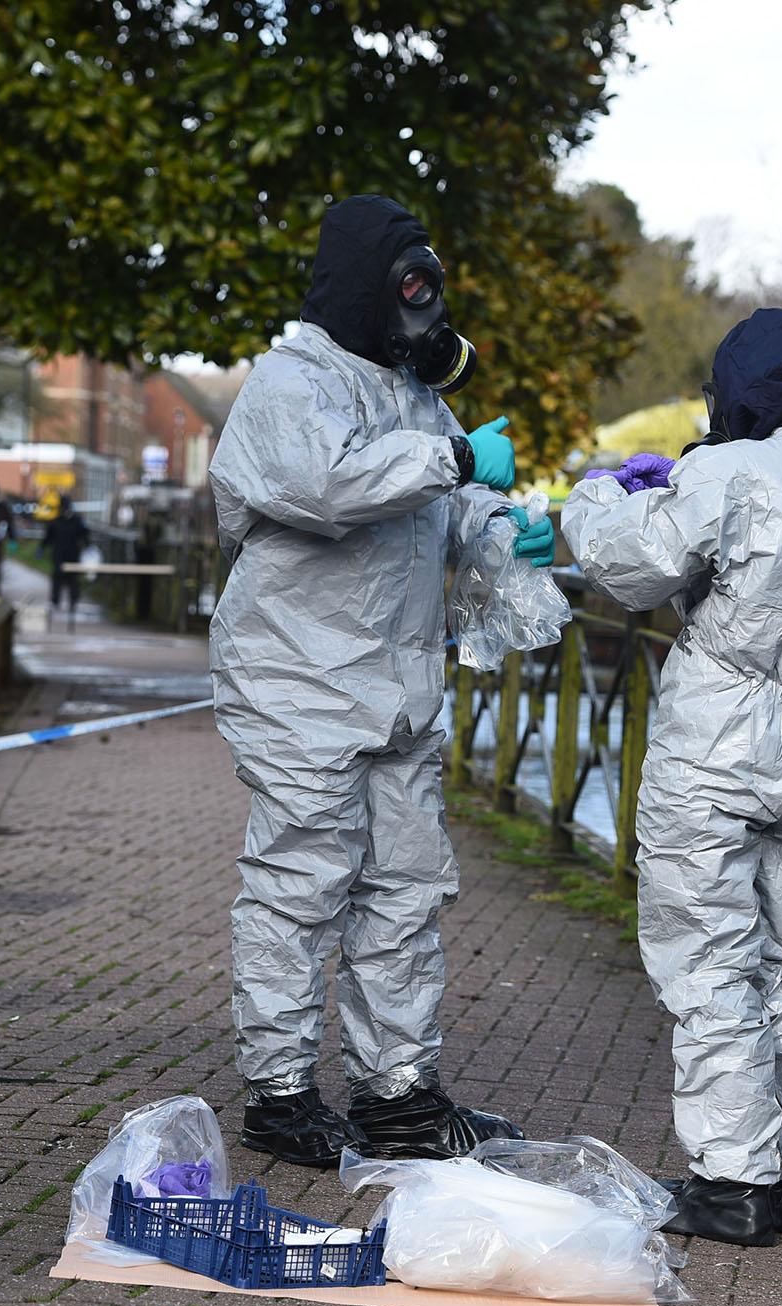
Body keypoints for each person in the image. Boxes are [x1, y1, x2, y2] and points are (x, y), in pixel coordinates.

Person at [209, 194, 548, 1166]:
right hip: (299, 684)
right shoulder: (290, 384)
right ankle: (279, 1095)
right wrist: (455, 456)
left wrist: (500, 526)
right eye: (406, 286)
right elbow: (329, 485)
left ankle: (398, 1096)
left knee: (404, 891)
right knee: (299, 887)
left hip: (397, 689)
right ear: (365, 287)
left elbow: (441, 502)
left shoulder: (414, 395)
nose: (421, 309)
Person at [562, 308, 782, 1245]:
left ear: (739, 391)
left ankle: (732, 1180)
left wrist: (599, 494)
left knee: (709, 958)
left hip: (721, 738)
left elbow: (630, 566)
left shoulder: (730, 469)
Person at [44, 496, 90, 613]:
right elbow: (48, 537)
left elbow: (84, 535)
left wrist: (88, 546)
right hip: (58, 556)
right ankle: (55, 601)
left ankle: (73, 601)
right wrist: (41, 547)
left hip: (73, 555)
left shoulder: (77, 521)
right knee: (57, 579)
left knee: (73, 580)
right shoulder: (55, 521)